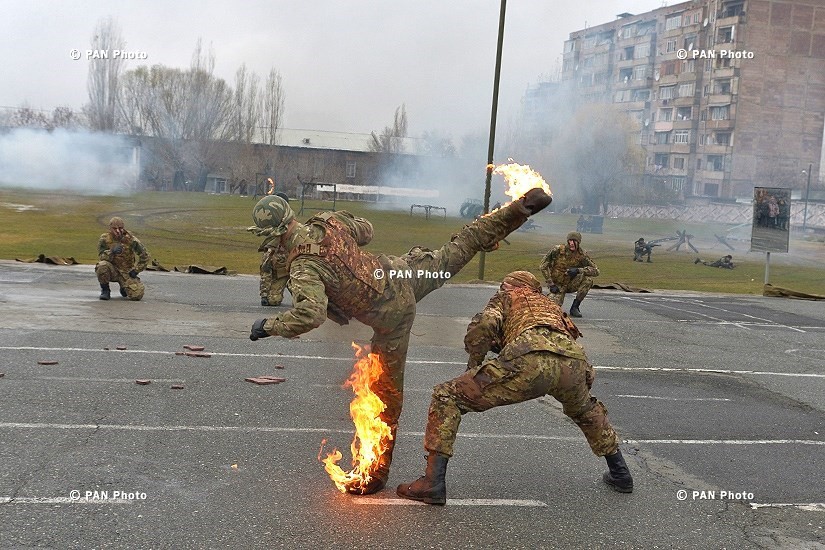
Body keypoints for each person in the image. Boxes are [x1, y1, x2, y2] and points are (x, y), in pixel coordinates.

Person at [248, 188, 553, 495]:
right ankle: (521, 207)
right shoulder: (329, 221)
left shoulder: (304, 267)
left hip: (391, 317)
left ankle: (374, 473)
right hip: (401, 271)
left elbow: (309, 315)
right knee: (464, 243)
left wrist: (269, 326)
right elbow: (366, 231)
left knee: (385, 398)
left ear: (272, 235)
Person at [395, 271, 633, 505]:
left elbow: (484, 326)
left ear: (509, 286)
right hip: (573, 363)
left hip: (528, 359)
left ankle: (432, 483)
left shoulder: (507, 297)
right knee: (586, 411)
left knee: (446, 396)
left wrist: (474, 365)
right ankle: (621, 473)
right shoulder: (549, 305)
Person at [539, 231, 599, 318]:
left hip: (571, 283)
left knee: (588, 280)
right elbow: (543, 266)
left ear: (578, 242)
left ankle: (575, 307)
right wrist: (551, 283)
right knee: (550, 311)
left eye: (574, 241)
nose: (571, 243)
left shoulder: (582, 255)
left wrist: (579, 270)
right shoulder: (557, 250)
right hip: (557, 286)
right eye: (570, 241)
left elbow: (596, 271)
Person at [250, 192, 291, 306]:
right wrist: (264, 295)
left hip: (290, 266)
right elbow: (265, 272)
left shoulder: (291, 224)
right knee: (273, 300)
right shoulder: (272, 224)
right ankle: (268, 294)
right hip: (278, 267)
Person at [95, 216, 150, 301]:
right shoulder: (104, 239)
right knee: (101, 266)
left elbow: (145, 255)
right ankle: (105, 290)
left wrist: (136, 270)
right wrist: (111, 252)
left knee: (137, 295)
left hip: (127, 272)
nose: (118, 231)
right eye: (114, 228)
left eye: (120, 228)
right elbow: (101, 256)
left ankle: (124, 288)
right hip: (112, 270)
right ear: (110, 228)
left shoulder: (131, 240)